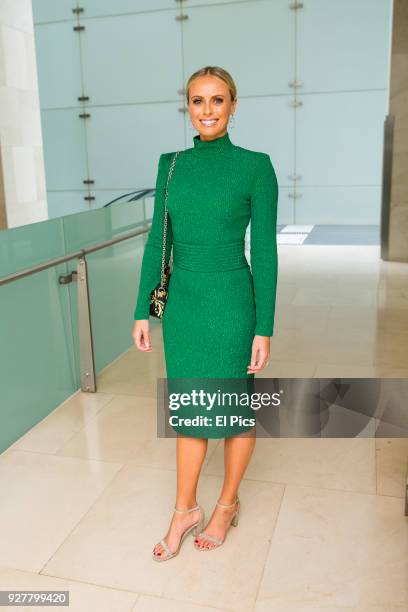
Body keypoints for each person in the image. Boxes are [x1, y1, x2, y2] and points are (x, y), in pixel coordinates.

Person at [132, 66, 278, 560]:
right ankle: (184, 510)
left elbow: (267, 252)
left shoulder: (256, 166)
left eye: (218, 100)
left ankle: (227, 503)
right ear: (188, 107)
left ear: (234, 105)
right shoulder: (170, 164)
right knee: (188, 412)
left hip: (233, 302)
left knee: (235, 412)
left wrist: (264, 326)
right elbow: (158, 241)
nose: (208, 110)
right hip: (186, 306)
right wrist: (141, 310)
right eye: (198, 101)